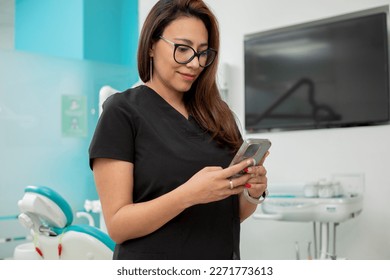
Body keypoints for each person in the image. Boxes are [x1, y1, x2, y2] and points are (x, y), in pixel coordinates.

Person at [89, 0, 269, 260]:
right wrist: (188, 195)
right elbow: (117, 226)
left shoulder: (219, 115)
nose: (195, 63)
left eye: (203, 52)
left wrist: (252, 192)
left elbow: (230, 215)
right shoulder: (122, 112)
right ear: (151, 44)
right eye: (183, 49)